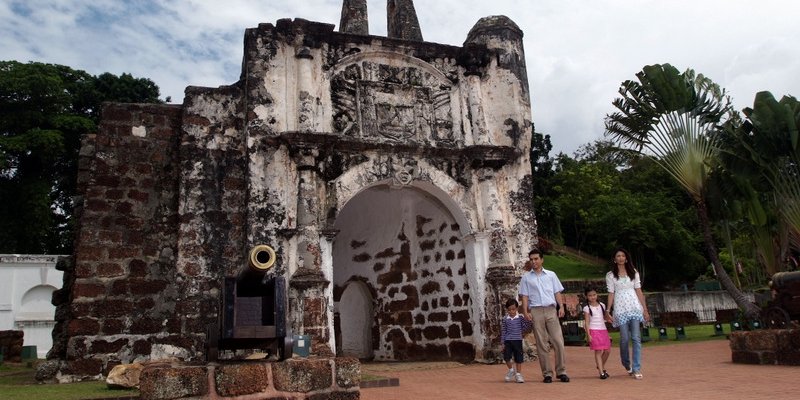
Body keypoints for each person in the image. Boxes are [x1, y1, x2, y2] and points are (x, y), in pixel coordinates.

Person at [519, 248, 570, 383]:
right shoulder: (526, 278)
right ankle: (547, 373)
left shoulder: (551, 275)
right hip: (535, 311)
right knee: (541, 343)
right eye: (531, 259)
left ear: (542, 260)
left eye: (536, 259)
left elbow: (557, 292)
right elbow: (524, 296)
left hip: (550, 309)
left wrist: (561, 307)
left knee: (558, 341)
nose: (534, 262)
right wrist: (525, 311)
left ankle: (561, 371)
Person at [606, 248, 650, 380]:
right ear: (614, 259)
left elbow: (639, 290)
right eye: (618, 256)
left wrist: (645, 309)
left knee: (636, 338)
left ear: (626, 258)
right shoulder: (610, 275)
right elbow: (611, 293)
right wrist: (608, 310)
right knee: (624, 338)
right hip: (620, 308)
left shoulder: (633, 272)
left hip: (634, 307)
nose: (620, 258)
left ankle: (636, 368)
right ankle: (626, 363)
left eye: (623, 256)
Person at [501, 298, 533, 383]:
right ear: (507, 310)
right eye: (509, 310)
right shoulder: (505, 319)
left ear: (517, 309)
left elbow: (525, 327)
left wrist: (529, 321)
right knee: (506, 357)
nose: (511, 312)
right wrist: (502, 343)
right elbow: (504, 331)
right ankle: (511, 370)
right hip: (508, 341)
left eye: (513, 309)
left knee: (518, 358)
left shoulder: (520, 318)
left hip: (517, 341)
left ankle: (518, 374)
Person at [582, 285, 611, 379]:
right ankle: (602, 372)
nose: (592, 297)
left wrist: (611, 319)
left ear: (597, 295)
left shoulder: (602, 305)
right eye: (590, 295)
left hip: (603, 330)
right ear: (586, 296)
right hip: (594, 330)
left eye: (594, 295)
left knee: (607, 350)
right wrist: (588, 335)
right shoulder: (586, 308)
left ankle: (600, 366)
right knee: (598, 351)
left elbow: (605, 317)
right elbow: (586, 322)